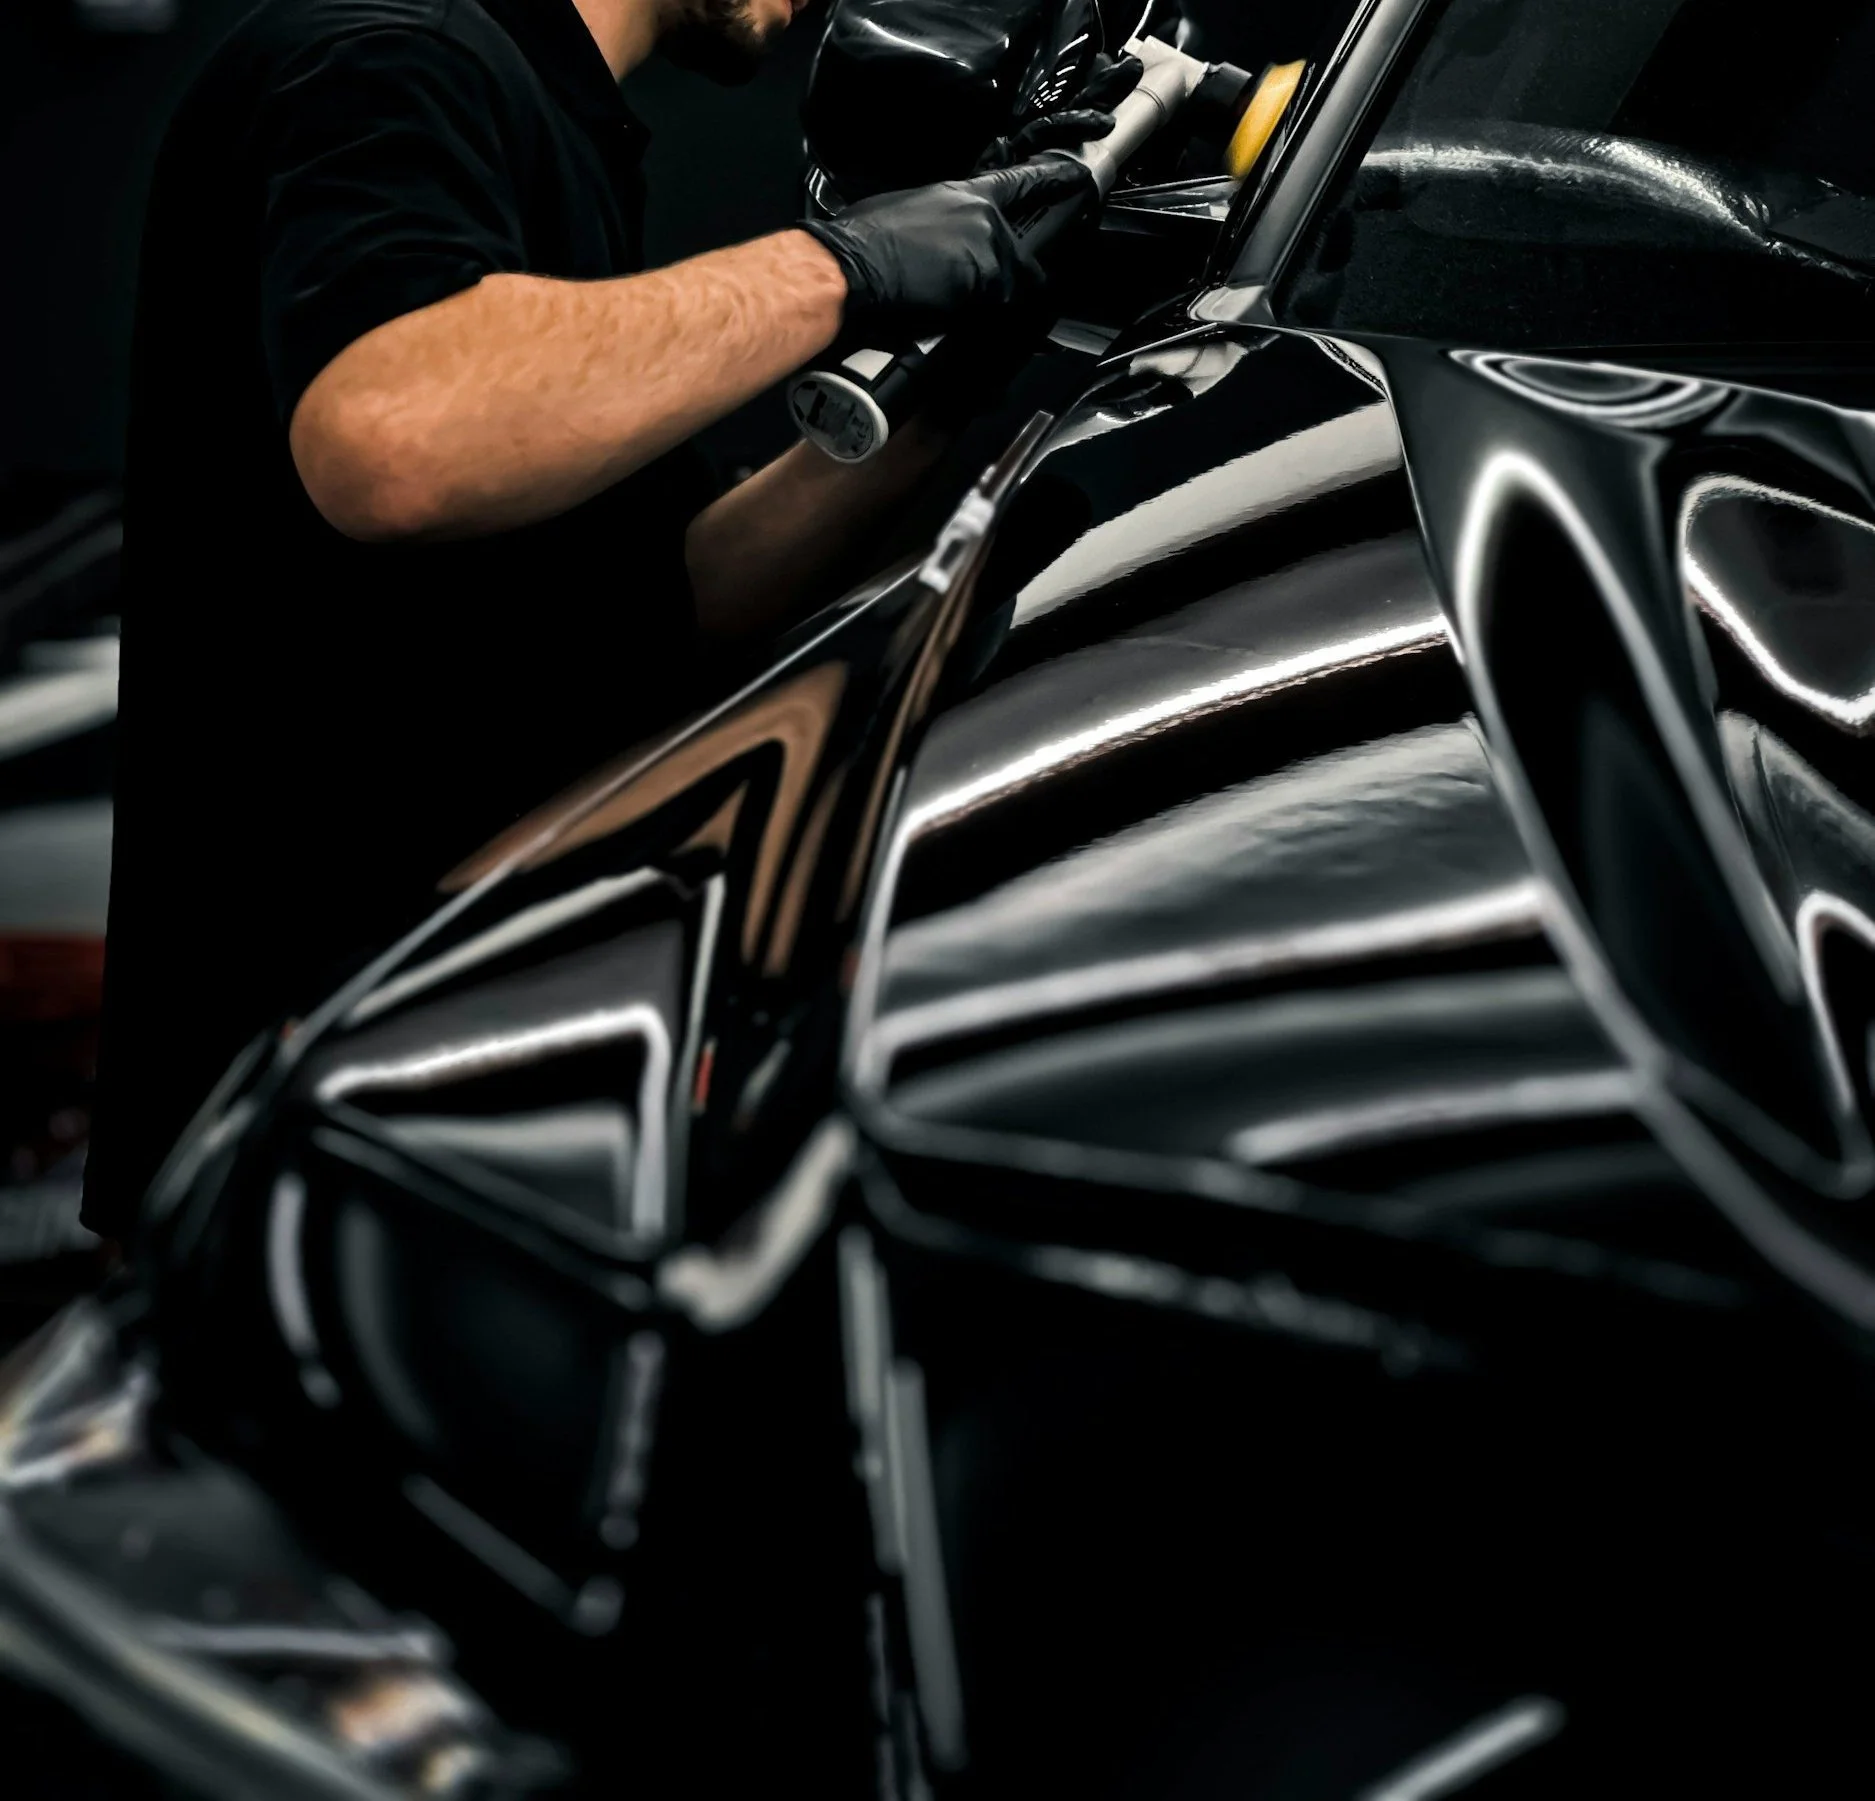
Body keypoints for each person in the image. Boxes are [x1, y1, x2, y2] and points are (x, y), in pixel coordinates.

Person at [85, 0, 1122, 1240]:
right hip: (310, 1122)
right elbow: (393, 433)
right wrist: (842, 268)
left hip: (469, 1090)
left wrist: (959, 368)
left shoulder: (549, 120)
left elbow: (674, 603)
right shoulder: (386, 48)